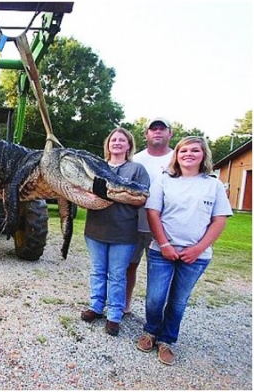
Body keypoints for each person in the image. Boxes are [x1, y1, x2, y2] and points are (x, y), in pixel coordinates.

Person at [136, 136, 233, 365]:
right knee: (155, 298)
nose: (188, 154)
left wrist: (198, 249)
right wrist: (165, 244)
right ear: (176, 155)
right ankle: (150, 331)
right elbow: (153, 214)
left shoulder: (213, 184)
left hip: (196, 256)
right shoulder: (164, 180)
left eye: (195, 150)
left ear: (203, 155)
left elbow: (219, 220)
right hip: (162, 250)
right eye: (183, 150)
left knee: (178, 301)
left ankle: (166, 340)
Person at [81, 128, 150, 336]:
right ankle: (95, 306)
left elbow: (141, 197)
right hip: (95, 229)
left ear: (129, 145)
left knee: (118, 275)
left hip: (123, 232)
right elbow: (85, 192)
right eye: (114, 139)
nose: (117, 143)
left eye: (122, 140)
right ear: (108, 144)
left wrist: (107, 195)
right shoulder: (97, 167)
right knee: (97, 270)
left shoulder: (137, 169)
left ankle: (114, 316)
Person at [125, 118, 174, 315]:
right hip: (133, 224)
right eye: (153, 129)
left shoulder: (176, 160)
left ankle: (155, 315)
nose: (158, 132)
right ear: (146, 134)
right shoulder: (135, 160)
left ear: (170, 134)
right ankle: (124, 306)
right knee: (129, 266)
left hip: (163, 228)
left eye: (162, 129)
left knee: (159, 274)